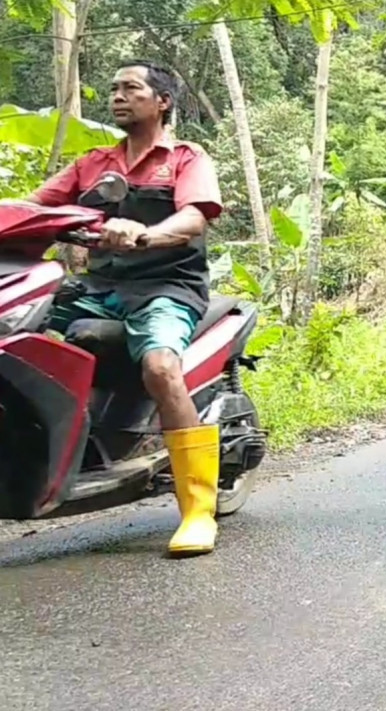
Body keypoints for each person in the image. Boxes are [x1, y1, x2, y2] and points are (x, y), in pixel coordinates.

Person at [29, 60, 225, 558]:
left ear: (162, 101)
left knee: (160, 366)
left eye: (131, 88)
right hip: (99, 284)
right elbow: (33, 207)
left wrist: (146, 234)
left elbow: (194, 217)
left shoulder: (184, 158)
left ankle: (197, 509)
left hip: (167, 285)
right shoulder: (94, 163)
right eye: (114, 89)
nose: (118, 96)